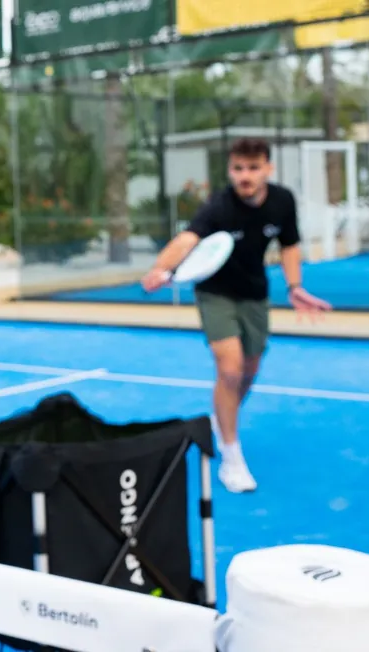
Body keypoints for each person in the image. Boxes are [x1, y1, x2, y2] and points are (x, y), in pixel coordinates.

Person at [141, 138, 332, 493]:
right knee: (229, 370)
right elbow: (187, 240)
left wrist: (294, 286)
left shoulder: (282, 201)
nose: (245, 175)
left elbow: (289, 244)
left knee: (249, 370)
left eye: (253, 168)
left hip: (255, 294)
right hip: (216, 293)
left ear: (268, 169)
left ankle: (222, 415)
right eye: (238, 168)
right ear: (229, 170)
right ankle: (231, 458)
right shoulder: (219, 206)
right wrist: (160, 268)